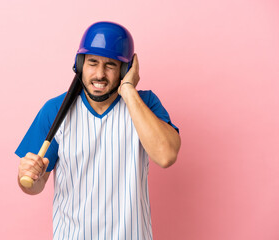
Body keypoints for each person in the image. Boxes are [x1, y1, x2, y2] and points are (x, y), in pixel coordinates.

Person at [15, 21, 181, 239]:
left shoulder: (145, 104)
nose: (100, 74)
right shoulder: (55, 110)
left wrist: (129, 90)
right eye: (92, 62)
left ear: (126, 69)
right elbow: (34, 186)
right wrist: (28, 178)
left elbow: (166, 155)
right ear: (80, 64)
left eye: (111, 65)